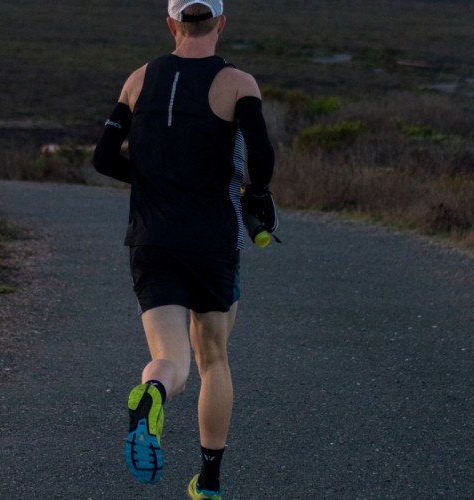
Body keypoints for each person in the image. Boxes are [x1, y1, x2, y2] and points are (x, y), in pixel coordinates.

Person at [92, 1, 276, 498]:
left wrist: (154, 182)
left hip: (151, 238)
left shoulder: (139, 79)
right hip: (212, 238)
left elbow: (105, 157)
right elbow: (261, 154)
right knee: (214, 357)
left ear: (171, 24)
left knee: (170, 359)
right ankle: (209, 485)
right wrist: (256, 197)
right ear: (221, 22)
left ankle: (152, 392)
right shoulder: (238, 83)